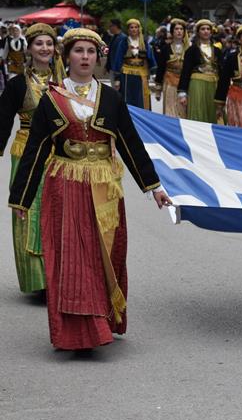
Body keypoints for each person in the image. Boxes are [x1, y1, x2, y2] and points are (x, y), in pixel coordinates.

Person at [7, 28, 171, 350]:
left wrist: (154, 187)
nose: (85, 57)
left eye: (90, 52)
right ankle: (81, 330)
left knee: (103, 254)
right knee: (73, 256)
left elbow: (130, 143)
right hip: (65, 185)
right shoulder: (52, 99)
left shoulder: (110, 98)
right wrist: (21, 199)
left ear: (98, 57)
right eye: (79, 51)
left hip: (104, 187)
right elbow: (36, 150)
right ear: (67, 56)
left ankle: (103, 320)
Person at [0, 23, 65, 296]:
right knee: (27, 210)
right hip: (26, 151)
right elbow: (3, 121)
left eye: (49, 43)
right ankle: (37, 279)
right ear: (29, 48)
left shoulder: (65, 83)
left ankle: (60, 276)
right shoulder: (17, 85)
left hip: (59, 154)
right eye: (39, 43)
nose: (44, 48)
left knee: (59, 212)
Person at [178, 19, 222, 123]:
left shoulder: (217, 51)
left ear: (211, 32)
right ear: (198, 32)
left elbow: (221, 71)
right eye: (203, 29)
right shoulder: (191, 50)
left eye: (208, 29)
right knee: (198, 113)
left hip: (214, 85)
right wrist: (182, 92)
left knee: (215, 115)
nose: (206, 31)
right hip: (197, 85)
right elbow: (185, 71)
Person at [111, 18, 157, 110]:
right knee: (127, 99)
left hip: (141, 76)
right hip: (127, 76)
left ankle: (142, 117)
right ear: (128, 30)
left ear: (139, 29)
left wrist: (154, 73)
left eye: (136, 27)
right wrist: (117, 78)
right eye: (131, 27)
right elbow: (118, 59)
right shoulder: (123, 42)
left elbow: (150, 58)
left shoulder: (144, 43)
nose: (134, 29)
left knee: (141, 100)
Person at [154, 18, 189, 118]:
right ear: (172, 31)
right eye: (176, 29)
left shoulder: (189, 48)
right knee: (170, 111)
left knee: (184, 112)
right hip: (170, 82)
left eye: (181, 29)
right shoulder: (166, 48)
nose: (179, 31)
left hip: (186, 84)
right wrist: (158, 88)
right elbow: (161, 68)